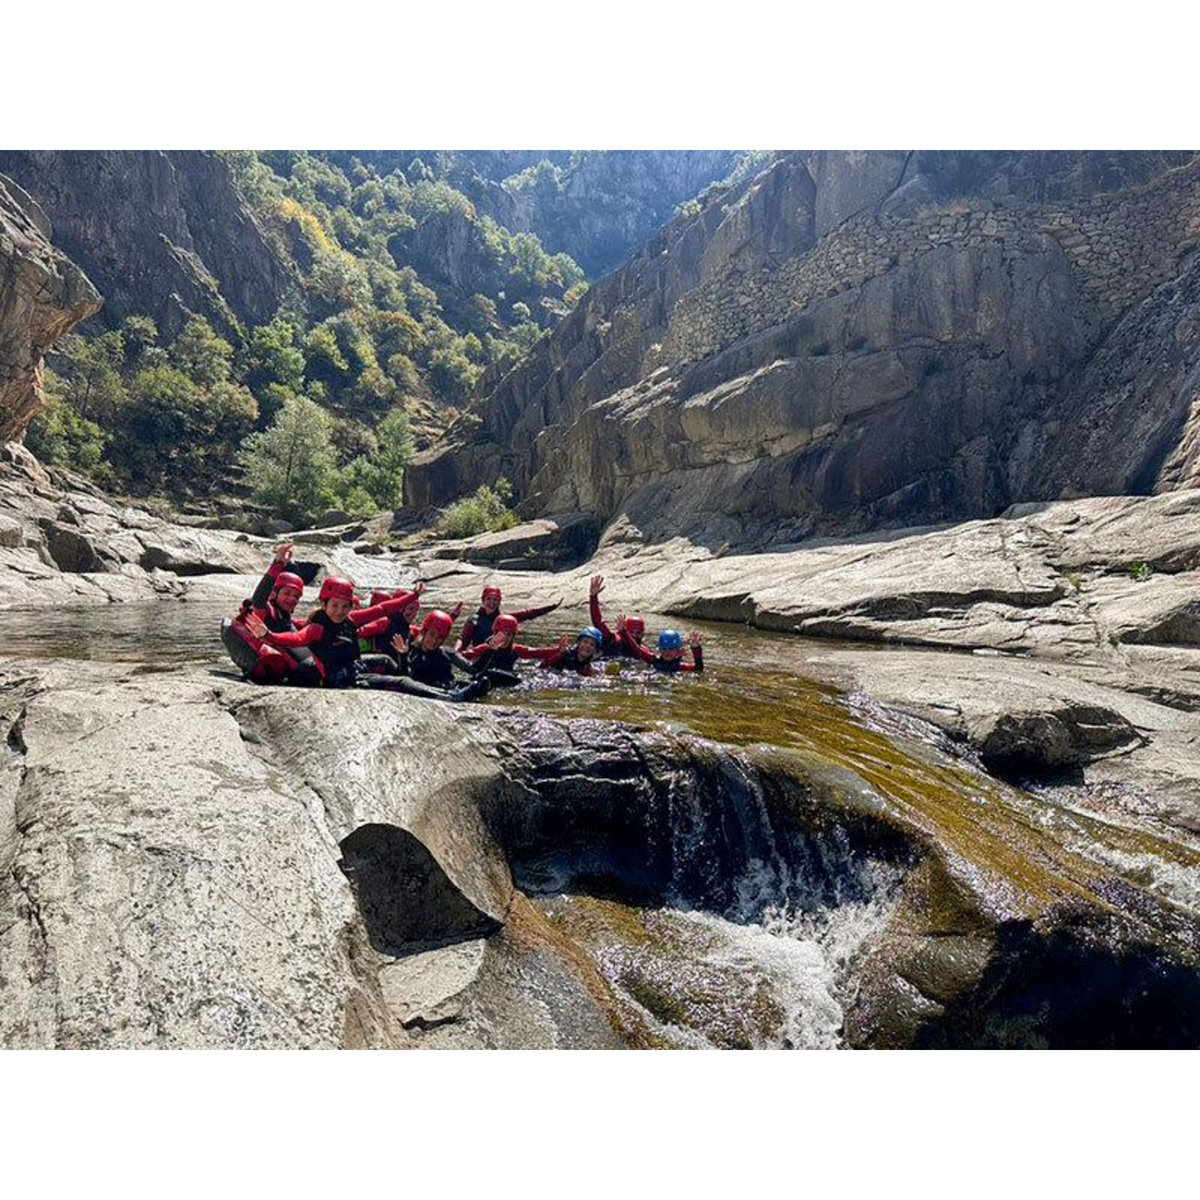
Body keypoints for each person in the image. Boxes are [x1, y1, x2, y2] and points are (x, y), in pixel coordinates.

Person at [244, 577, 419, 688]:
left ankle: (413, 680)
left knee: (387, 661)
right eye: (334, 605)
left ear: (350, 607)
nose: (339, 611)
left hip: (352, 668)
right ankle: (442, 696)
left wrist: (414, 595)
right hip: (341, 681)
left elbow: (382, 608)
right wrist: (268, 636)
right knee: (401, 683)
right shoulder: (316, 628)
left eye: (345, 606)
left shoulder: (350, 619)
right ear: (324, 604)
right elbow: (297, 638)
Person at [222, 543, 321, 684]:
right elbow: (258, 600)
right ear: (274, 593)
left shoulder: (285, 618)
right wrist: (278, 563)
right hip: (304, 671)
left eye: (296, 596)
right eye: (287, 593)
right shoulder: (267, 611)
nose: (292, 599)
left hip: (306, 666)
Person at [383, 609, 490, 701]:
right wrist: (402, 655)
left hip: (448, 688)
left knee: (478, 683)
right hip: (427, 690)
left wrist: (490, 649)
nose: (434, 641)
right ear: (424, 632)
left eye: (440, 638)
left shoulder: (447, 653)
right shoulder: (410, 650)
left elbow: (473, 669)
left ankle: (463, 693)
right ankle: (456, 696)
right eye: (432, 634)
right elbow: (405, 678)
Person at [455, 585, 563, 650]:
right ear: (483, 600)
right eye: (489, 599)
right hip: (479, 657)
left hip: (499, 656)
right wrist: (456, 652)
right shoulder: (473, 619)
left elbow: (529, 614)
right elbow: (463, 641)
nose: (492, 603)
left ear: (499, 602)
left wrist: (551, 607)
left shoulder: (505, 619)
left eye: (495, 600)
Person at [588, 574, 649, 657]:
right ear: (624, 630)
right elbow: (598, 622)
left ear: (643, 635)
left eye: (638, 633)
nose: (634, 636)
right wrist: (593, 597)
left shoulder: (643, 651)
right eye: (631, 633)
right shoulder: (613, 640)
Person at [620, 620, 704, 673]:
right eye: (664, 649)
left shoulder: (679, 666)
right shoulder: (653, 660)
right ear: (659, 649)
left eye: (671, 649)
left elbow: (698, 668)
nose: (667, 652)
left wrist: (695, 648)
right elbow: (636, 649)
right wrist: (624, 632)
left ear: (678, 650)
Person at [532, 626, 606, 676]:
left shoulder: (588, 668)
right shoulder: (566, 654)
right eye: (585, 642)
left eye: (592, 645)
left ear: (595, 651)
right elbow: (543, 666)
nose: (587, 646)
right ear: (578, 643)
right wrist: (560, 654)